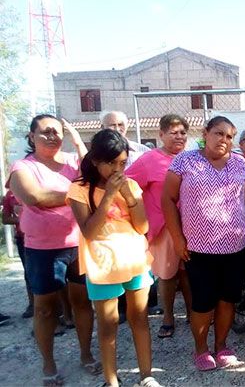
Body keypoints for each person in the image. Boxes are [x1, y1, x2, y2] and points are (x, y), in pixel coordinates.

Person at [162, 116, 245, 371]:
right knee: (203, 302)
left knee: (228, 299)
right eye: (218, 133)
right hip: (198, 248)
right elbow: (168, 199)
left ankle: (222, 345)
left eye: (229, 136)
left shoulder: (238, 163)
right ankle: (201, 349)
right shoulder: (185, 161)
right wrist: (177, 237)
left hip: (235, 246)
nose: (223, 140)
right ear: (206, 133)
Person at [8, 114, 99, 386]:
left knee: (83, 303)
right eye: (46, 132)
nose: (53, 137)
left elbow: (93, 173)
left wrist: (76, 139)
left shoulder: (73, 161)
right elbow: (34, 197)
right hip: (43, 249)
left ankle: (86, 354)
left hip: (78, 244)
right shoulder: (22, 167)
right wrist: (78, 194)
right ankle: (48, 362)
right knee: (46, 309)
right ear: (31, 136)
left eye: (58, 132)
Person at [67, 129, 161, 387]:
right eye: (112, 163)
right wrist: (108, 195)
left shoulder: (130, 185)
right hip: (103, 264)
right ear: (96, 160)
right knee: (108, 323)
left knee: (139, 317)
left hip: (135, 260)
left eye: (122, 163)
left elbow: (142, 227)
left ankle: (146, 376)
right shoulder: (79, 189)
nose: (118, 169)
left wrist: (130, 198)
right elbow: (89, 231)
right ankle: (111, 380)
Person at [126, 114, 193, 339]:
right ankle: (168, 317)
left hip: (193, 224)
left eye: (183, 132)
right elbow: (127, 184)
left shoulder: (192, 158)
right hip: (164, 226)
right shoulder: (149, 160)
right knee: (168, 274)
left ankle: (193, 313)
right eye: (173, 133)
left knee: (188, 271)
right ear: (161, 135)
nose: (179, 137)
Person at [100, 110, 161, 320]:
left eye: (120, 125)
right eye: (111, 125)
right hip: (109, 218)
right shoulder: (97, 158)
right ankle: (121, 307)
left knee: (143, 260)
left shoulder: (143, 151)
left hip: (136, 209)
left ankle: (148, 303)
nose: (117, 129)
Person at [2, 190, 33, 318]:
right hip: (23, 239)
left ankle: (63, 308)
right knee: (29, 272)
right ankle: (33, 304)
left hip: (46, 236)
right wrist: (23, 220)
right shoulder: (10, 195)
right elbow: (5, 219)